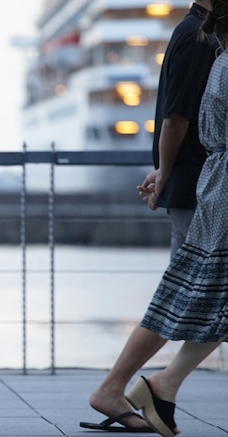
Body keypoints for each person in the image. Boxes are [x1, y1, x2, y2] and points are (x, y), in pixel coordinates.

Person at [79, 0, 218, 432]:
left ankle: (151, 385)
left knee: (193, 296)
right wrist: (167, 175)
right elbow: (175, 119)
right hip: (201, 189)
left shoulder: (198, 33)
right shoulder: (199, 38)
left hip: (198, 184)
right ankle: (141, 386)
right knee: (196, 296)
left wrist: (164, 171)